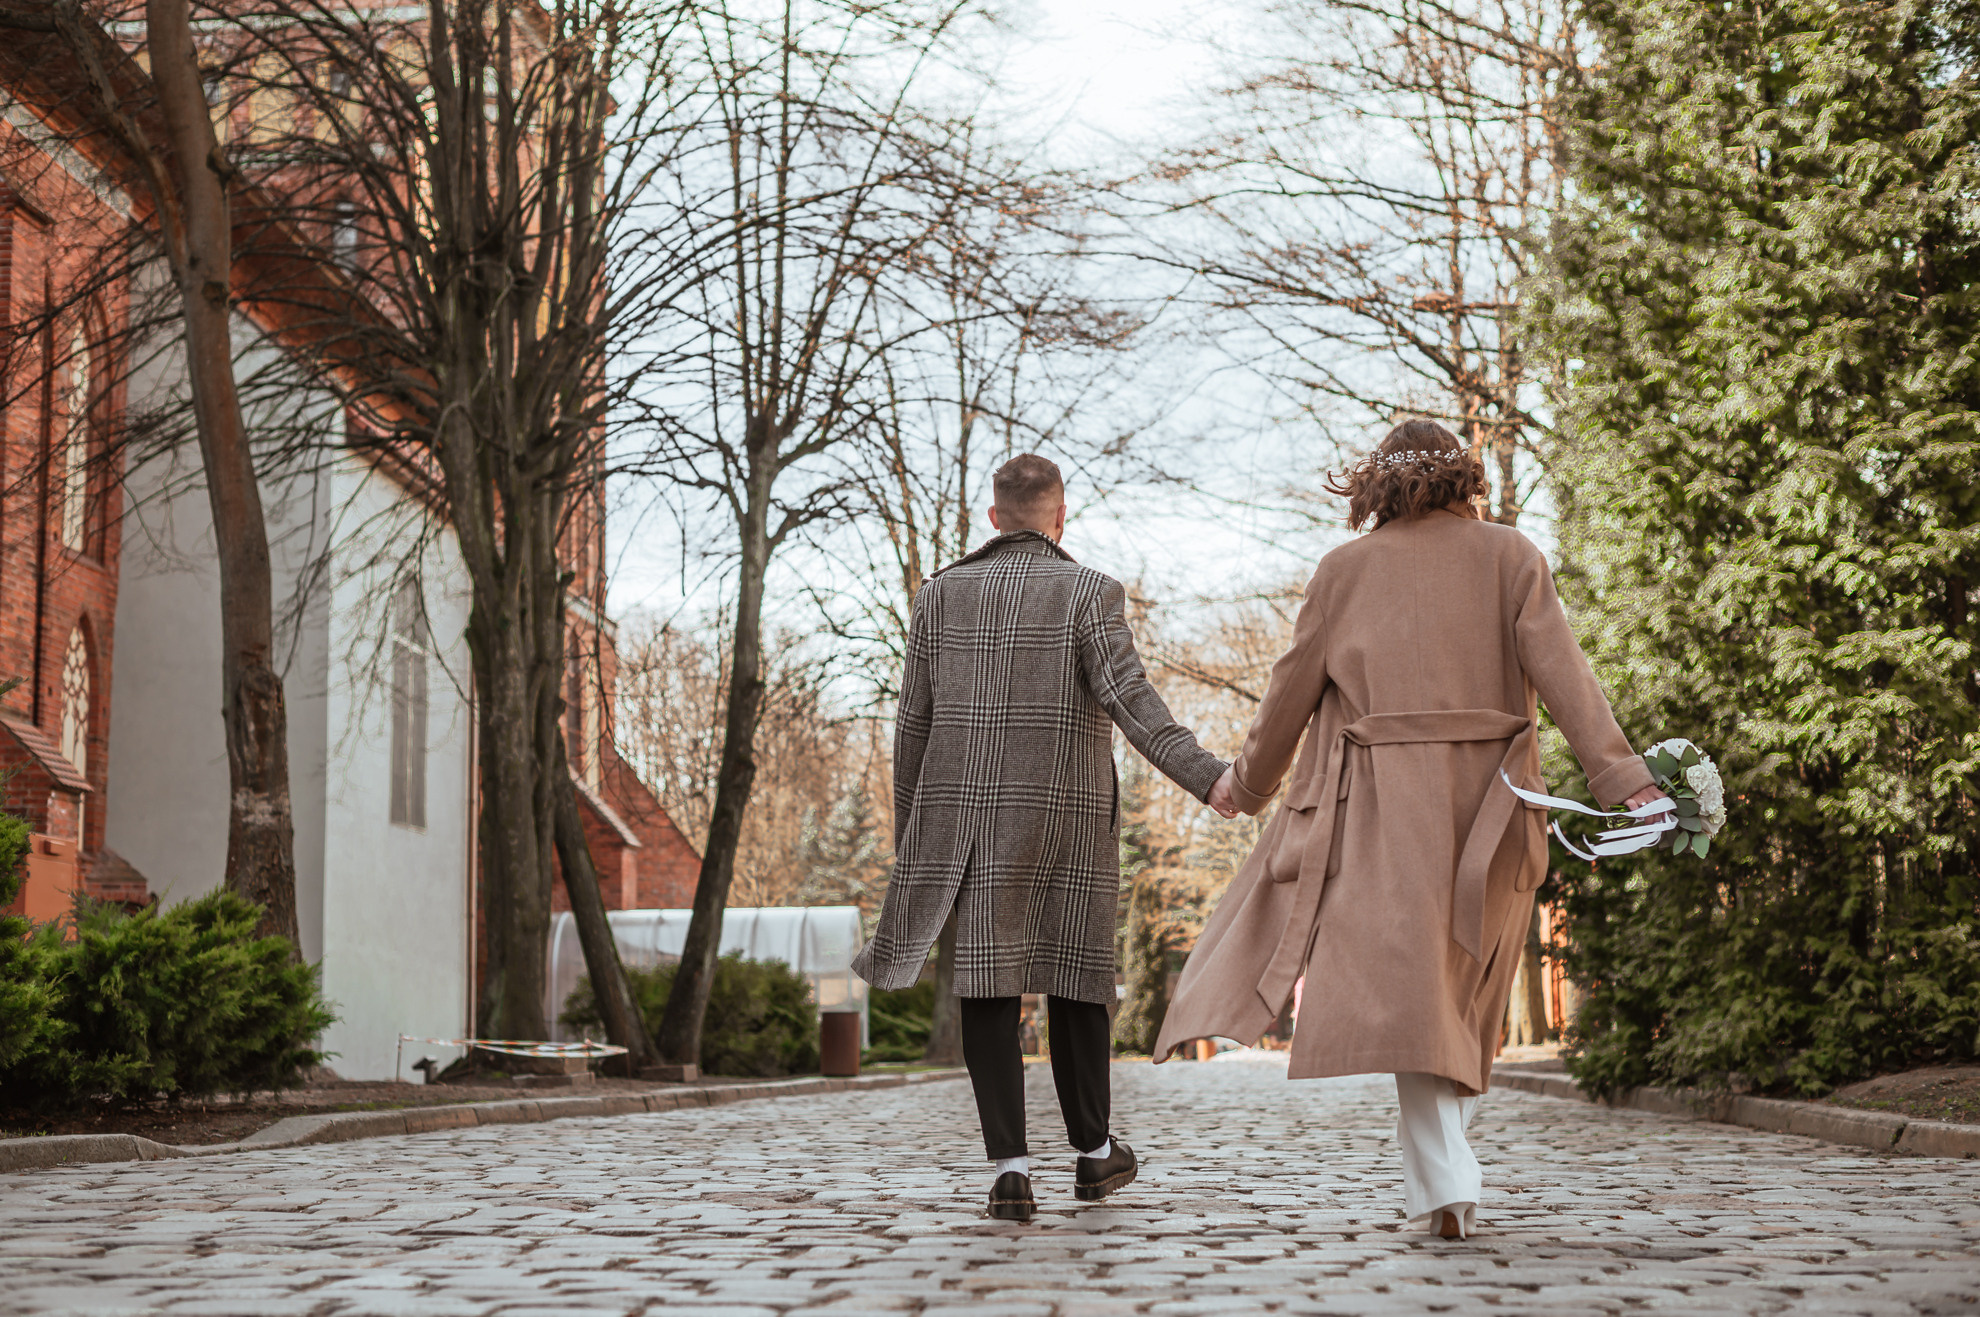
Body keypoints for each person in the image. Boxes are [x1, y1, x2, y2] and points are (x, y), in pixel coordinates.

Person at [1153, 419, 1670, 1239]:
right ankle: (1445, 1178)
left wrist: (1247, 786)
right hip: (1493, 805)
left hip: (1383, 810)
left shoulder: (1342, 571)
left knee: (1421, 995)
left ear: (1373, 487)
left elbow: (1289, 693)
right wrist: (1623, 779)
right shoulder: (1512, 555)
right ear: (1462, 479)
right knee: (1453, 989)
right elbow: (1567, 675)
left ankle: (1445, 1175)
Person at [853, 453, 1238, 1223]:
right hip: (1066, 820)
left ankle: (1010, 1170)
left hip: (963, 822)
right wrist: (1211, 778)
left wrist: (914, 842)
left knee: (987, 987)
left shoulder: (938, 597)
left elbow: (912, 729)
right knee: (1078, 980)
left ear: (993, 518)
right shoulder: (1089, 591)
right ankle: (1094, 1157)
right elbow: (1135, 703)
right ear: (1061, 519)